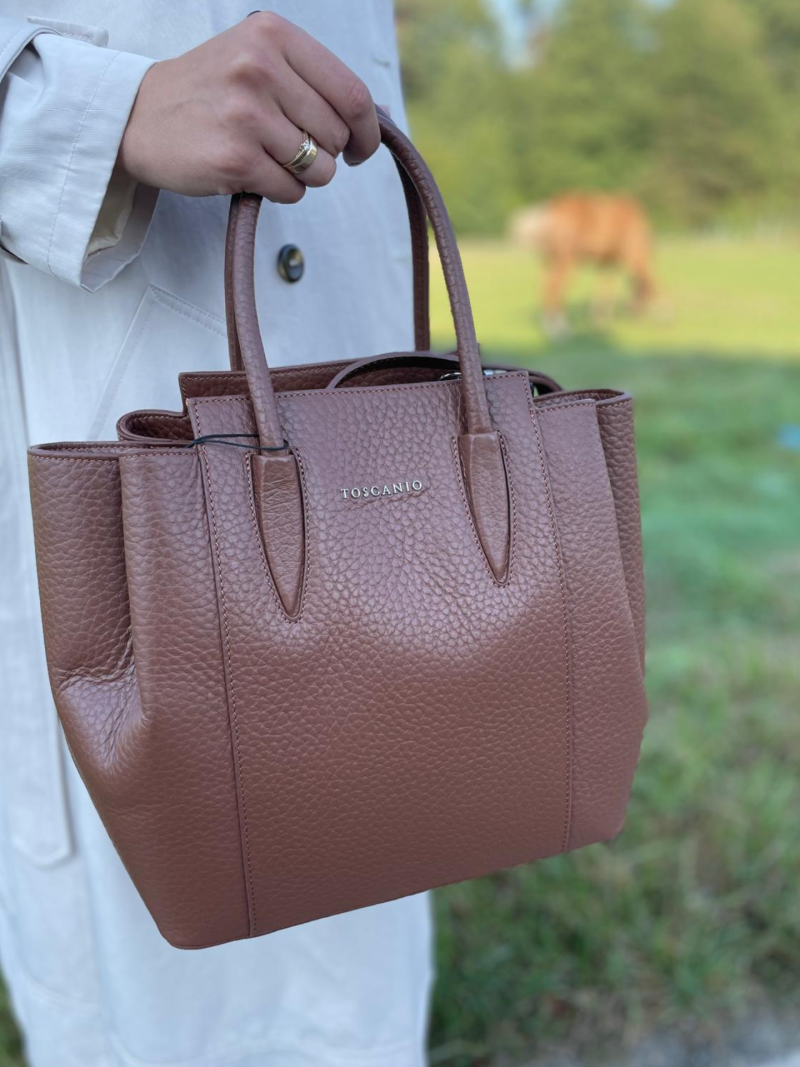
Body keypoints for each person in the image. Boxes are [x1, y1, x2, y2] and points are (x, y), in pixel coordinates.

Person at [0, 6, 432, 1067]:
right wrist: (93, 114)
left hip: (373, 470)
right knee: (156, 994)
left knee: (364, 951)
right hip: (99, 421)